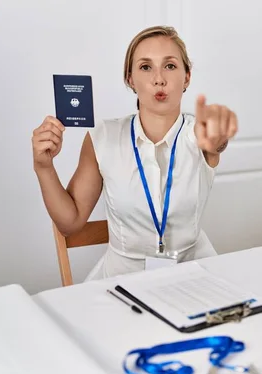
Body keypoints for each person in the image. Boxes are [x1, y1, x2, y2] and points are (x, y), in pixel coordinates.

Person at [31, 26, 238, 280]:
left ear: (187, 77)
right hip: (122, 284)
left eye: (170, 66)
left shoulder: (199, 131)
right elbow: (70, 222)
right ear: (130, 79)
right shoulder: (103, 137)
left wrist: (219, 138)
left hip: (195, 274)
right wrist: (44, 167)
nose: (159, 79)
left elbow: (215, 143)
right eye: (146, 67)